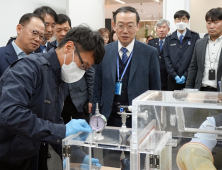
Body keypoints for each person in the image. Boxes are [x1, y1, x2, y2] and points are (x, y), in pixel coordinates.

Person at [0, 25, 105, 170]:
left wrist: (77, 156)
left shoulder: (60, 78)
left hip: (28, 153)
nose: (82, 72)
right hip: (5, 156)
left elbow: (53, 122)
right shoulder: (28, 68)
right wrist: (61, 130)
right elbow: (11, 113)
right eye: (83, 65)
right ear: (69, 47)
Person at [93, 6, 161, 128]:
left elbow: (155, 91)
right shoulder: (104, 51)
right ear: (114, 26)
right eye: (120, 25)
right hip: (109, 117)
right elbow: (97, 87)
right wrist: (96, 116)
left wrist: (155, 119)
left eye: (130, 26)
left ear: (137, 26)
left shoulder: (150, 53)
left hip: (139, 118)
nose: (125, 31)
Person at [52, 14, 95, 123]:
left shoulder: (81, 47)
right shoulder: (50, 48)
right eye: (59, 30)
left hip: (79, 97)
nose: (62, 33)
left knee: (83, 131)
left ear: (70, 29)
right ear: (54, 31)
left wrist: (91, 99)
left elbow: (90, 75)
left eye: (66, 29)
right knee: (62, 131)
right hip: (59, 99)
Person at [186, 8, 222, 92]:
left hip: (219, 91)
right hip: (201, 90)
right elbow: (193, 68)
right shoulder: (200, 43)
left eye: (216, 22)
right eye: (208, 23)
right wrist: (188, 90)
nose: (211, 26)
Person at [163, 10, 200, 91]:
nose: (181, 22)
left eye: (184, 19)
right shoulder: (169, 38)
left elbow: (196, 58)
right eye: (178, 19)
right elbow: (166, 59)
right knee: (172, 102)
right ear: (175, 21)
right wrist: (174, 75)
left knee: (189, 102)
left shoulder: (195, 37)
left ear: (188, 21)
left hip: (190, 79)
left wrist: (186, 75)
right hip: (172, 80)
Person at [148, 19, 170, 90]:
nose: (161, 30)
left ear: (168, 29)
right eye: (159, 27)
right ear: (156, 30)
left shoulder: (172, 42)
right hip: (154, 76)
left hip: (168, 77)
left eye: (164, 27)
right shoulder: (151, 42)